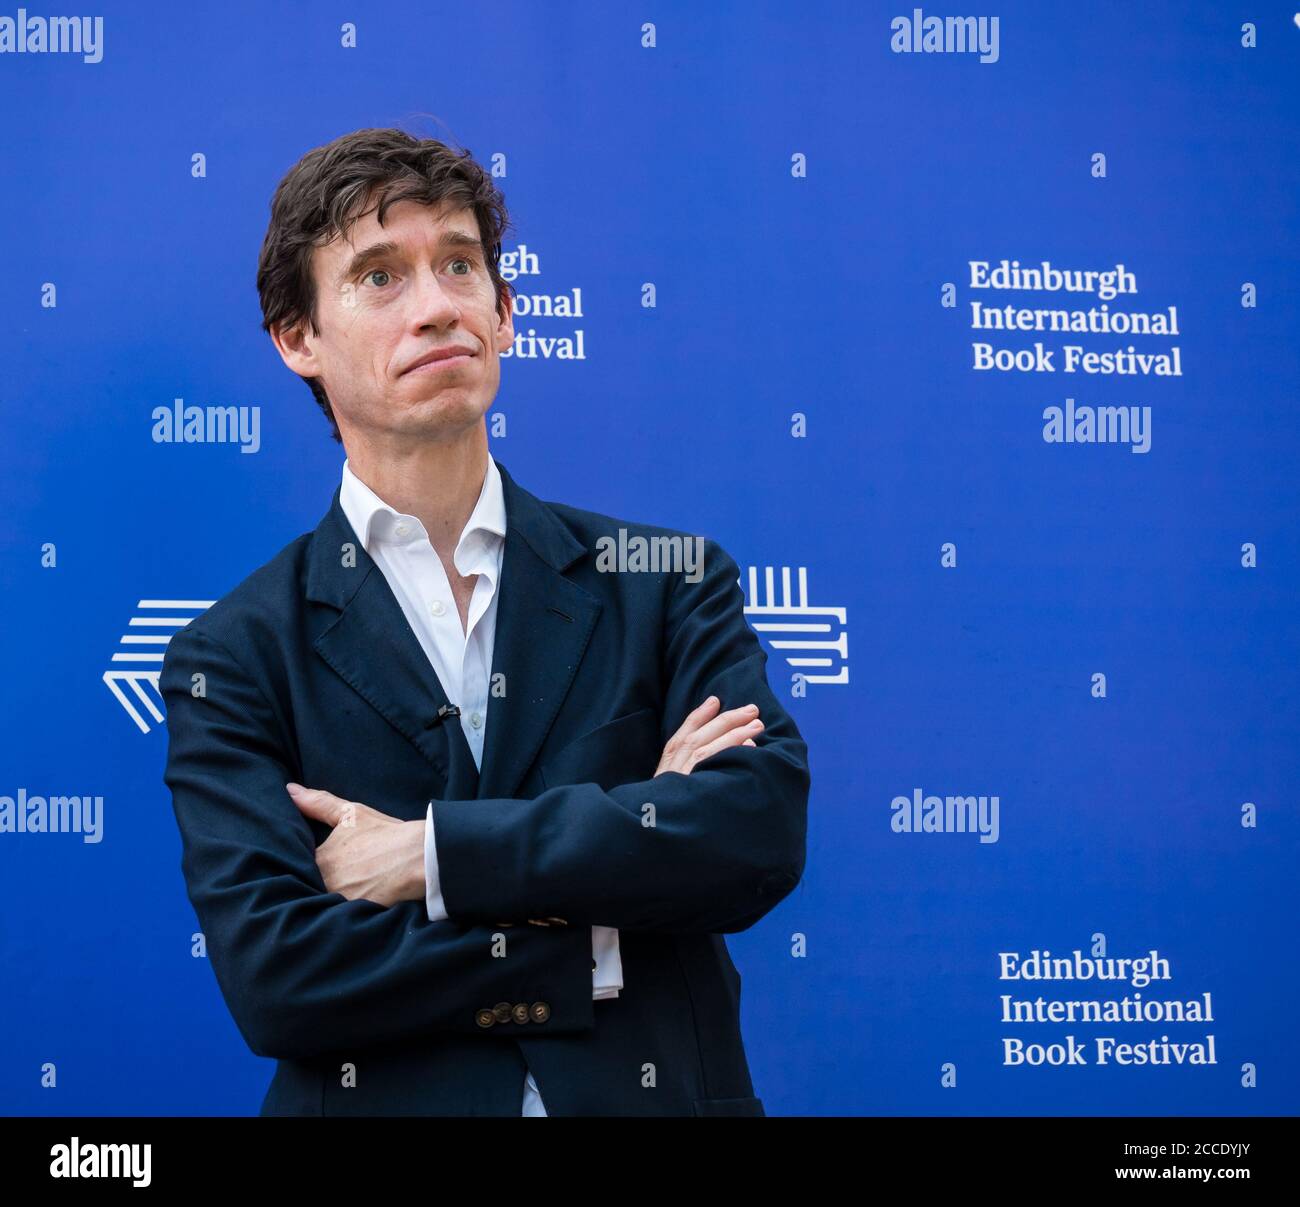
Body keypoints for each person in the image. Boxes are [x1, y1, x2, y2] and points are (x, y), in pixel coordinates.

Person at [160, 127, 810, 1116]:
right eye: (379, 277)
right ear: (297, 339)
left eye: (458, 265)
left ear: (505, 313)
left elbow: (750, 833)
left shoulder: (664, 580)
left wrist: (431, 856)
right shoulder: (236, 653)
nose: (435, 307)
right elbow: (279, 979)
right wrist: (594, 919)